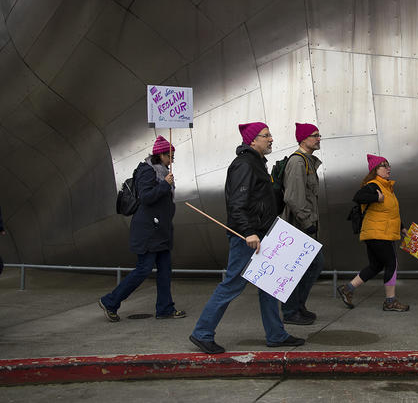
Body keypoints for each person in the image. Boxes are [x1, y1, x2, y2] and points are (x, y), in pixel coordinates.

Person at [189, 122, 304, 354]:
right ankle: (202, 333)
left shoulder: (257, 164)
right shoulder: (244, 164)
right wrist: (248, 232)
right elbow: (237, 203)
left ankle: (276, 335)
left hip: (263, 234)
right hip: (249, 237)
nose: (271, 139)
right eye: (266, 135)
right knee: (232, 285)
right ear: (253, 140)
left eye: (270, 135)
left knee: (269, 287)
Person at [98, 136, 185, 321]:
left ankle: (165, 308)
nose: (172, 159)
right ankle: (110, 301)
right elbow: (146, 197)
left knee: (164, 270)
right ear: (160, 155)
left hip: (161, 231)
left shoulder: (162, 171)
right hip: (148, 230)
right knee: (143, 269)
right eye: (170, 155)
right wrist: (165, 185)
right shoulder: (147, 171)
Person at [337, 154, 410, 312]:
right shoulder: (373, 185)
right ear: (375, 170)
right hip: (379, 233)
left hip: (379, 232)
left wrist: (402, 228)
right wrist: (375, 198)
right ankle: (390, 301)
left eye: (388, 165)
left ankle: (348, 289)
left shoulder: (387, 188)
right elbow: (358, 196)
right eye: (384, 165)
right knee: (392, 263)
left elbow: (391, 213)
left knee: (376, 265)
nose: (388, 168)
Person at [279, 122, 324, 325]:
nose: (318, 138)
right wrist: (307, 222)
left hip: (305, 225)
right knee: (297, 268)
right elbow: (293, 197)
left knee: (312, 265)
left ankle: (298, 305)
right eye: (314, 135)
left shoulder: (308, 161)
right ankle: (290, 311)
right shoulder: (298, 162)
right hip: (298, 226)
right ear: (303, 139)